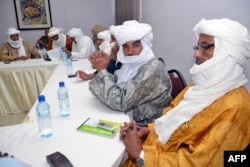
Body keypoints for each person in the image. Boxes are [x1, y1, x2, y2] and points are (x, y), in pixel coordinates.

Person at [119, 18, 250, 167]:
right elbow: (172, 116)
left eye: (205, 47)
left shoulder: (237, 108)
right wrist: (147, 130)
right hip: (154, 149)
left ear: (226, 52)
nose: (196, 55)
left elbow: (200, 163)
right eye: (197, 47)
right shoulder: (201, 86)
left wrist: (140, 155)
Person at [89, 20, 172, 126]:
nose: (130, 52)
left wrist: (102, 71)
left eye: (135, 45)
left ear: (145, 45)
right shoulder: (130, 63)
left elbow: (122, 102)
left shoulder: (152, 68)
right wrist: (101, 66)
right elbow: (114, 81)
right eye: (125, 46)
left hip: (148, 127)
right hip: (129, 117)